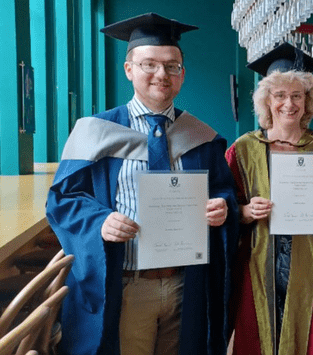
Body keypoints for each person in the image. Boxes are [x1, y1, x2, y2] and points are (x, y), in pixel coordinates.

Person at [45, 13, 239, 355]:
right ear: (129, 69)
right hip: (126, 284)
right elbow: (62, 200)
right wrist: (100, 220)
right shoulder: (94, 132)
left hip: (185, 284)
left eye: (172, 66)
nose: (161, 74)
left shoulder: (203, 138)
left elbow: (224, 193)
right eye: (149, 64)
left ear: (182, 73)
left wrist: (223, 207)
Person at [225, 43, 313, 355]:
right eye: (279, 95)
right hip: (259, 256)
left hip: (310, 255)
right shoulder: (243, 149)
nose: (289, 104)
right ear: (267, 100)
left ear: (308, 101)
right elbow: (225, 208)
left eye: (297, 95)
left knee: (310, 333)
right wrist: (246, 211)